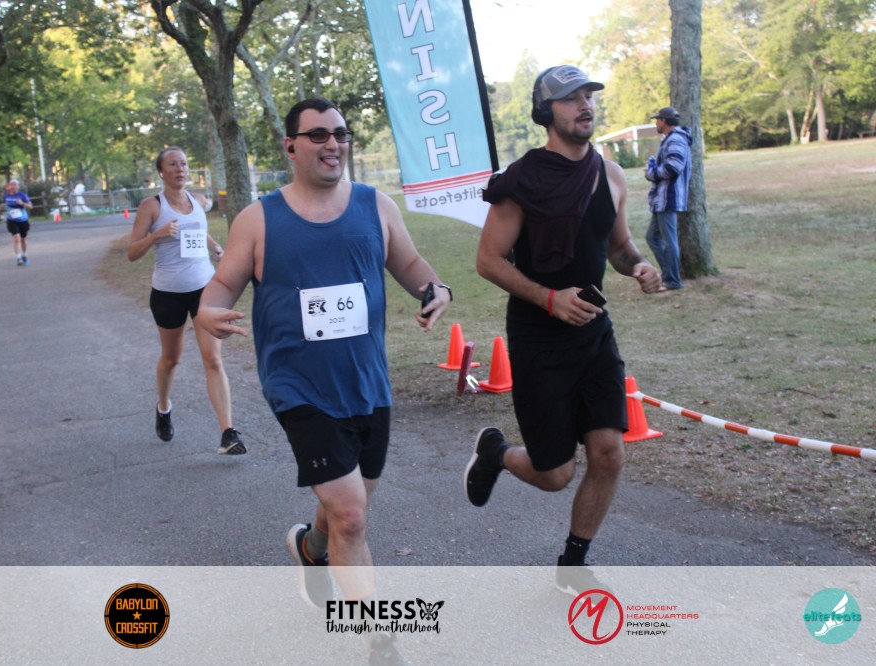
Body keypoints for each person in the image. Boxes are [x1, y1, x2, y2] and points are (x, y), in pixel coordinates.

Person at [195, 98, 450, 664]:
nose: (333, 144)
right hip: (298, 386)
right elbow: (223, 284)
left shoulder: (375, 204)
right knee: (352, 514)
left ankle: (312, 550)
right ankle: (379, 643)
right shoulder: (258, 219)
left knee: (345, 508)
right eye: (318, 135)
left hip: (367, 383)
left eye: (340, 133)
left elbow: (410, 264)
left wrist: (437, 289)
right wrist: (207, 310)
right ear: (290, 146)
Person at [467, 65, 662, 596]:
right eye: (571, 98)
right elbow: (488, 260)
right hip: (538, 339)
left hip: (594, 333)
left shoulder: (610, 174)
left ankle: (572, 565)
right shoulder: (522, 180)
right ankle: (496, 453)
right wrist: (550, 298)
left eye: (589, 96)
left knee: (609, 452)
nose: (585, 105)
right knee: (555, 475)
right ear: (546, 111)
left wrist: (641, 265)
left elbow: (618, 247)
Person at [127, 147, 245, 455]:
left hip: (204, 290)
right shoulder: (152, 206)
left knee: (213, 359)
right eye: (173, 164)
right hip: (168, 294)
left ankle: (228, 433)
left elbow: (196, 230)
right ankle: (164, 407)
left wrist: (215, 246)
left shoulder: (200, 201)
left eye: (183, 164)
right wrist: (156, 235)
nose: (180, 169)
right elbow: (132, 253)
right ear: (161, 171)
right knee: (172, 358)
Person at [644, 106, 693, 291]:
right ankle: (668, 274)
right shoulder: (671, 139)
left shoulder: (675, 139)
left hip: (668, 198)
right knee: (652, 237)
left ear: (664, 121)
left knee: (668, 240)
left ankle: (673, 279)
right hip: (661, 199)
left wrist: (651, 173)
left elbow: (673, 167)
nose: (656, 123)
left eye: (657, 120)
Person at [4, 179, 33, 266]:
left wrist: (22, 203)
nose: (13, 186)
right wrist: (1, 207)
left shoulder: (22, 195)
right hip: (11, 220)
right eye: (12, 185)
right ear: (10, 186)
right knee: (16, 238)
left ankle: (24, 255)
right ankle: (18, 257)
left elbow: (30, 206)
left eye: (15, 185)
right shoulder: (6, 196)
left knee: (23, 239)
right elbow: (5, 205)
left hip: (23, 220)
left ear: (18, 186)